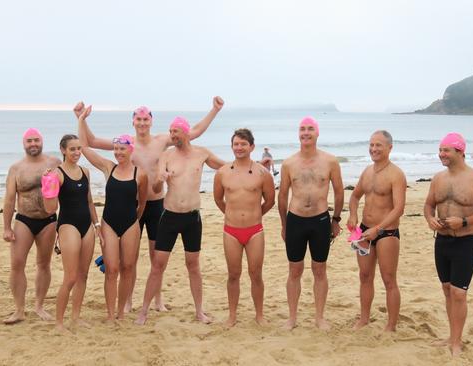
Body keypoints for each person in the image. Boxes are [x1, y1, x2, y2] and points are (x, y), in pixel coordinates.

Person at [75, 97, 224, 312]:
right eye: (139, 119)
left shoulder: (162, 141)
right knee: (131, 258)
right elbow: (91, 141)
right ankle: (127, 301)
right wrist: (80, 119)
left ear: (151, 121)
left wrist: (214, 110)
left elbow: (195, 131)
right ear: (133, 122)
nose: (142, 123)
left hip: (156, 205)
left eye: (146, 119)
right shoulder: (125, 144)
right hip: (132, 207)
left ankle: (158, 300)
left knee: (157, 257)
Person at [135, 117, 225, 325]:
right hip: (169, 216)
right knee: (158, 265)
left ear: (186, 132)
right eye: (171, 132)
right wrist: (160, 180)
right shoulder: (166, 156)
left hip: (192, 217)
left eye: (176, 131)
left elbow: (226, 166)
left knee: (193, 265)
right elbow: (157, 190)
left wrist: (257, 165)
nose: (173, 135)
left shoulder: (202, 154)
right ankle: (144, 311)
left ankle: (199, 311)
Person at [424, 132, 473, 356]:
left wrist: (463, 221)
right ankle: (451, 336)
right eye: (440, 149)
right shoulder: (438, 179)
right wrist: (430, 219)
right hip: (442, 241)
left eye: (446, 150)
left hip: (467, 242)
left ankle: (457, 341)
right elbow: (428, 205)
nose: (441, 154)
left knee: (459, 293)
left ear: (460, 152)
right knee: (446, 290)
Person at [77, 106, 149, 321]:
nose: (118, 153)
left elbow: (142, 202)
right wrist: (81, 119)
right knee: (112, 269)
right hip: (109, 223)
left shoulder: (140, 174)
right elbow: (84, 148)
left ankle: (120, 312)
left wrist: (134, 221)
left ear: (131, 150)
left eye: (122, 149)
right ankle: (110, 314)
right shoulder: (109, 167)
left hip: (130, 224)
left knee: (128, 267)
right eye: (115, 149)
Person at [278, 116, 344, 330]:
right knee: (294, 270)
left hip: (321, 220)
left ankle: (319, 317)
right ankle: (292, 317)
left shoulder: (330, 161)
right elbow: (282, 195)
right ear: (298, 134)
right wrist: (284, 224)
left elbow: (339, 191)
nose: (305, 132)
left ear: (317, 133)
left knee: (319, 269)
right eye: (302, 129)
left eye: (310, 129)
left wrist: (335, 220)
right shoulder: (289, 163)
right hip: (295, 220)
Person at [213, 128, 275, 327]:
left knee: (256, 274)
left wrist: (254, 215)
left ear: (252, 147)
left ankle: (259, 315)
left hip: (255, 230)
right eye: (236, 144)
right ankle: (232, 315)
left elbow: (270, 201)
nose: (239, 148)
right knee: (233, 274)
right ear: (232, 146)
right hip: (230, 231)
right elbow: (218, 199)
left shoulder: (262, 173)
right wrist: (232, 215)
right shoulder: (222, 172)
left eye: (243, 144)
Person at [347, 130, 406, 332]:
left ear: (390, 147)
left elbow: (399, 208)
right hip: (363, 231)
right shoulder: (367, 171)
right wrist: (353, 216)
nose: (374, 149)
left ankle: (391, 325)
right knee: (364, 276)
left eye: (378, 145)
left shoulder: (396, 174)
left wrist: (378, 229)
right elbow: (354, 197)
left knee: (389, 279)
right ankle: (364, 319)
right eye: (371, 145)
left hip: (386, 232)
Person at [2, 128, 61, 324]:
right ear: (23, 144)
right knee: (17, 264)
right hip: (24, 219)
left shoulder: (54, 163)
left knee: (44, 264)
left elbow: (66, 194)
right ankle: (19, 309)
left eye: (36, 140)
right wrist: (7, 227)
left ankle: (39, 306)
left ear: (42, 141)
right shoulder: (16, 168)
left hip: (48, 220)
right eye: (29, 141)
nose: (33, 144)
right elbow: (10, 200)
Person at [42, 134, 100, 332]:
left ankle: (75, 318)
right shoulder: (56, 174)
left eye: (79, 148)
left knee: (83, 276)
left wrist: (97, 225)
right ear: (63, 150)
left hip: (87, 226)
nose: (76, 152)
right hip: (68, 226)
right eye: (72, 149)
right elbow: (50, 209)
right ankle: (59, 323)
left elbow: (90, 201)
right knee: (71, 277)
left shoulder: (85, 171)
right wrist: (47, 185)